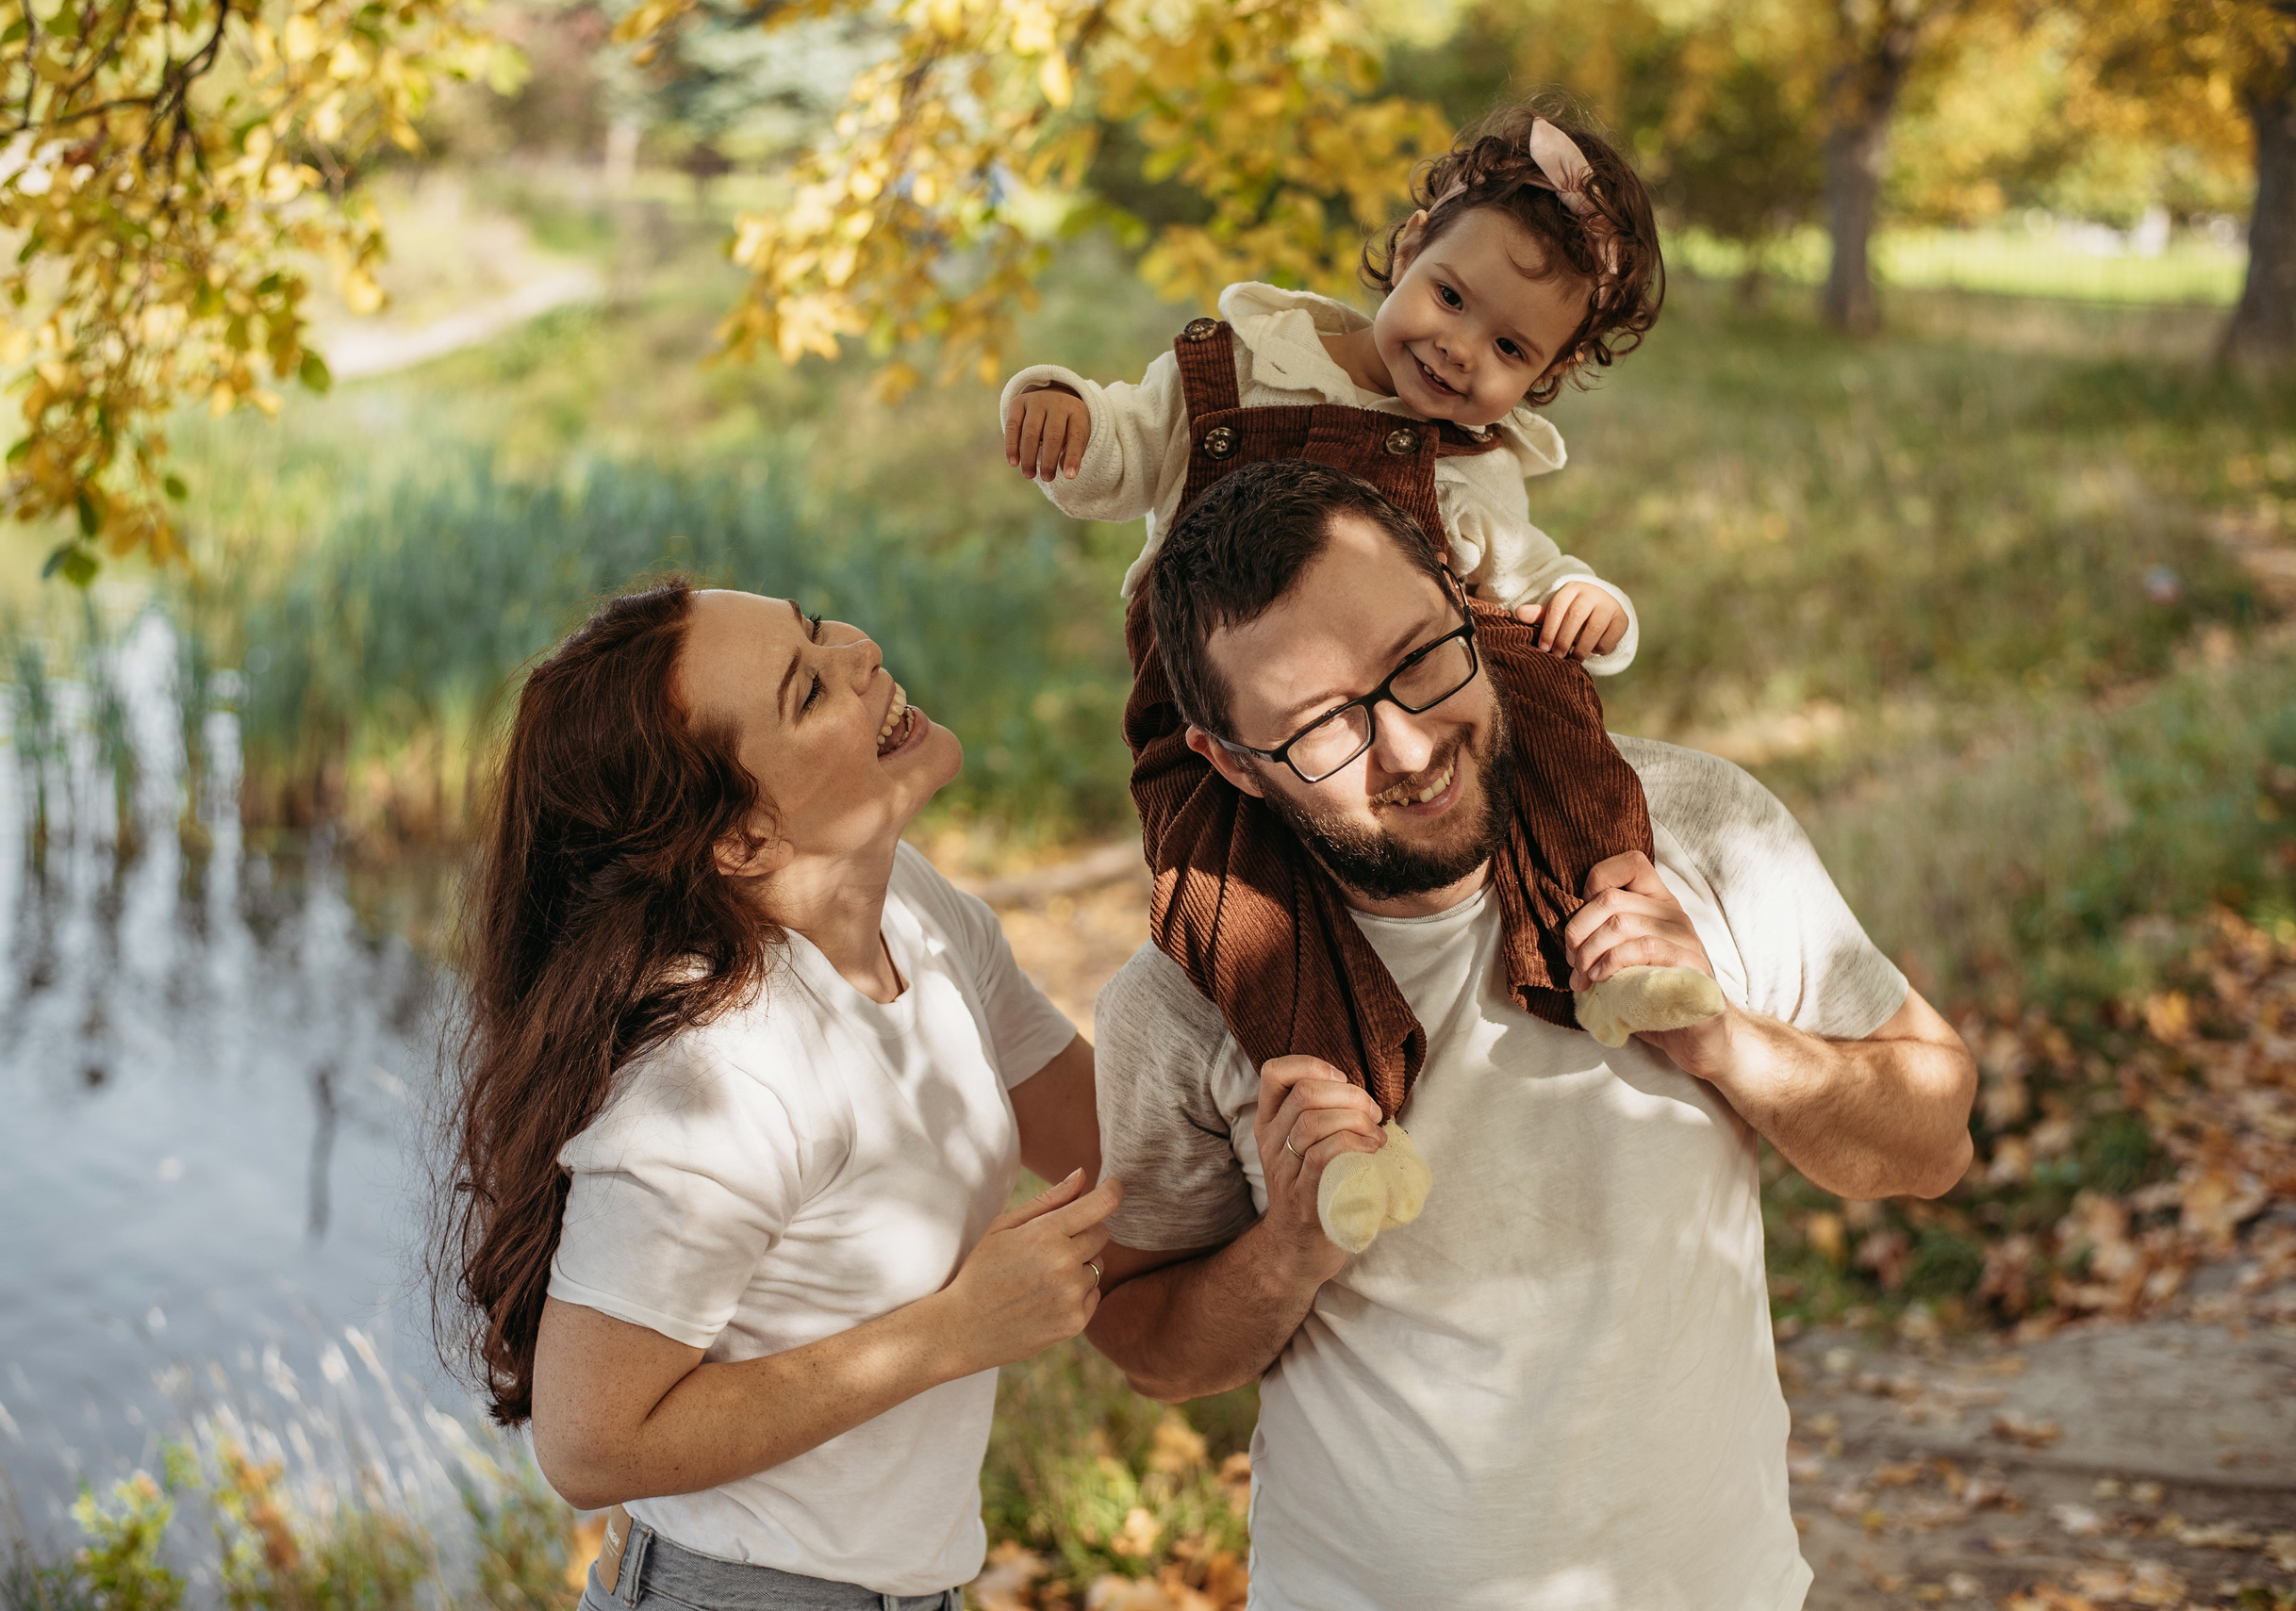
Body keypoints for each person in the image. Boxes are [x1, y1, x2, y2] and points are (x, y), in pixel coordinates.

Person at [1086, 459, 1978, 1610]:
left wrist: (1727, 1042)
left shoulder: (1692, 830)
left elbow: (1933, 1140)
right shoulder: (1188, 995)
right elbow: (1149, 1343)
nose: (1406, 747)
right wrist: (1291, 1244)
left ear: (1467, 601)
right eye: (1319, 728)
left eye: (1419, 660)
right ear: (1228, 764)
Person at [996, 105, 1708, 1191]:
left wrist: (1587, 603)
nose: (1457, 348)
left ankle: (1606, 945)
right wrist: (1063, 416)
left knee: (1548, 697)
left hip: (1416, 676)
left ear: (1545, 376)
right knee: (1229, 895)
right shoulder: (1236, 364)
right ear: (1414, 241)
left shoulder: (1471, 464)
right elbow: (1125, 452)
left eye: (1509, 347)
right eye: (1451, 296)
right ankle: (1337, 1122)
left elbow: (1525, 567)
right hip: (1235, 698)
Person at [429, 579, 1119, 1611]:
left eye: (814, 626)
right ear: (743, 838)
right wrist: (949, 1330)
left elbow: (1110, 1138)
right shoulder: (713, 1075)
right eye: (807, 689)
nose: (860, 651)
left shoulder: (913, 911)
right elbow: (587, 1442)